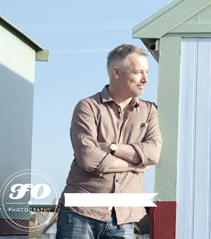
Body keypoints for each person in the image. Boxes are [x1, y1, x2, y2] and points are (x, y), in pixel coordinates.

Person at [56, 44, 162, 239]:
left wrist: (112, 148)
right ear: (116, 72)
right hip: (80, 213)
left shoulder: (149, 111)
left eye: (147, 72)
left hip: (124, 217)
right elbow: (88, 159)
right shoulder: (87, 107)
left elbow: (153, 153)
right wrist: (136, 165)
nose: (146, 79)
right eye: (139, 72)